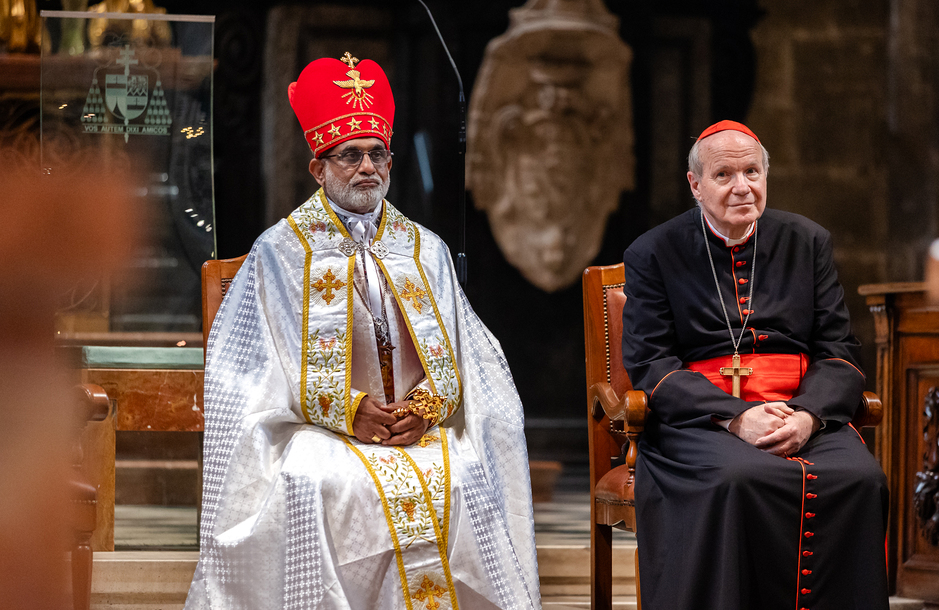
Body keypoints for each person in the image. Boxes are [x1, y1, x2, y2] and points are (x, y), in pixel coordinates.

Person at [184, 53, 540, 609]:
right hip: (317, 431)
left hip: (415, 429)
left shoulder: (425, 249)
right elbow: (251, 373)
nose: (367, 167)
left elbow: (468, 357)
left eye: (378, 154)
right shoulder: (279, 252)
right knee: (314, 483)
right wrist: (347, 409)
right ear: (318, 168)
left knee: (466, 476)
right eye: (350, 155)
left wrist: (427, 405)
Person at [621, 120, 889, 610]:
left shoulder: (807, 241)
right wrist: (737, 417)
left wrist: (808, 416)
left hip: (800, 409)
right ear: (695, 185)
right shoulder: (653, 252)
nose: (742, 186)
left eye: (752, 172)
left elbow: (839, 350)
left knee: (862, 478)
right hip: (701, 421)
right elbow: (651, 363)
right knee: (737, 478)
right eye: (724, 175)